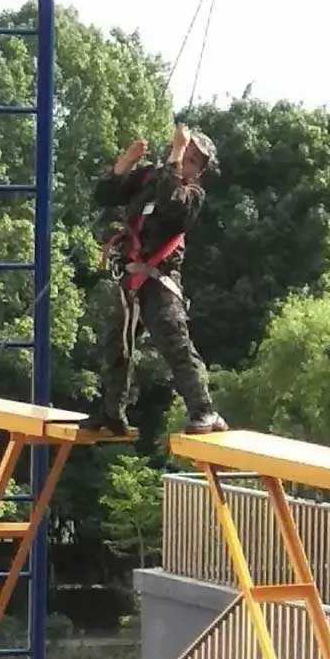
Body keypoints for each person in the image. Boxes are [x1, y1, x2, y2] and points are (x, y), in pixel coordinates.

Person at [83, 124, 229, 436]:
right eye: (185, 154)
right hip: (130, 275)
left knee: (174, 343)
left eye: (192, 160)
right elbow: (105, 196)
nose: (185, 161)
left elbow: (170, 203)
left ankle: (204, 410)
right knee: (115, 346)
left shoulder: (191, 195)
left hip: (159, 280)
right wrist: (125, 163)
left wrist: (177, 153)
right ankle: (112, 413)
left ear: (199, 172)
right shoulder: (149, 177)